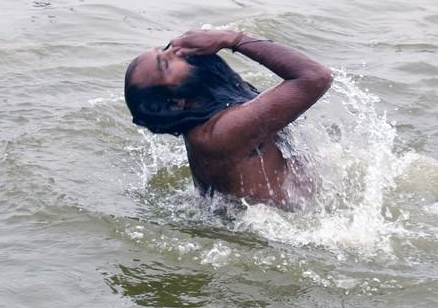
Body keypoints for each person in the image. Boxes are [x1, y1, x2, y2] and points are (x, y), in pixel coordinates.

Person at [124, 29, 333, 209]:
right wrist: (234, 39)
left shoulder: (213, 110)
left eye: (165, 49)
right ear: (176, 102)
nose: (177, 50)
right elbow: (316, 76)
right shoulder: (223, 131)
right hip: (288, 231)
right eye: (166, 64)